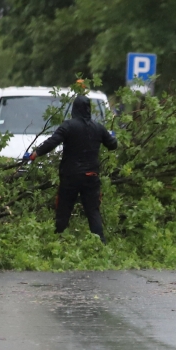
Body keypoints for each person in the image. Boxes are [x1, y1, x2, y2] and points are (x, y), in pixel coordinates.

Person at [27, 94, 118, 241]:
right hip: (91, 176)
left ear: (74, 109)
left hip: (71, 177)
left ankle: (57, 242)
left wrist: (35, 153)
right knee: (93, 212)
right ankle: (101, 245)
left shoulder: (68, 126)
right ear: (89, 109)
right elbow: (113, 145)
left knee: (64, 211)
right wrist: (112, 137)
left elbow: (52, 142)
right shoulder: (98, 128)